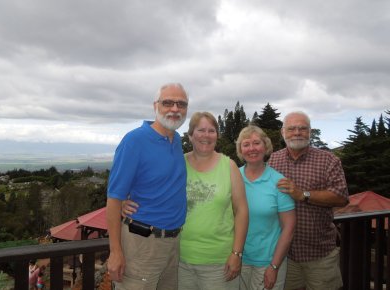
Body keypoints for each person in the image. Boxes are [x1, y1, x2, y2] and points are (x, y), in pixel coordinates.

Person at [123, 112, 249, 290]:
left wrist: (237, 253)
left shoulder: (229, 166)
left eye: (211, 131)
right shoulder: (177, 163)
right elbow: (149, 185)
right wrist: (124, 201)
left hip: (219, 262)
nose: (206, 135)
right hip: (178, 259)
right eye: (201, 130)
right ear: (190, 135)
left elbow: (242, 211)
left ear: (217, 136)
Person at [106, 83, 189, 290]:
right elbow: (114, 199)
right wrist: (115, 252)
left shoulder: (176, 140)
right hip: (142, 245)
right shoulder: (134, 141)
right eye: (168, 103)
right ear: (155, 106)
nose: (175, 109)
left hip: (173, 243)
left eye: (181, 104)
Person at [268, 111, 349, 290]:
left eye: (302, 128)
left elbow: (342, 197)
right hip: (284, 255)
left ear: (310, 132)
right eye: (291, 129)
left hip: (319, 254)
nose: (297, 132)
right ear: (283, 133)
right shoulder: (274, 159)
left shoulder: (328, 160)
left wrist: (303, 195)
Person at [236, 125, 296, 290]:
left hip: (268, 262)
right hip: (237, 259)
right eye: (246, 144)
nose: (252, 148)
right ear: (240, 149)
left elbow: (288, 229)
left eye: (256, 143)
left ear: (266, 146)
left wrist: (274, 266)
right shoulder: (233, 177)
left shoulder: (279, 182)